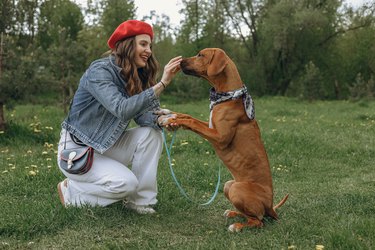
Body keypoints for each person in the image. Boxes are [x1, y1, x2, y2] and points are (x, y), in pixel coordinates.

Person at [56, 20, 182, 214]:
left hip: (106, 144)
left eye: (150, 45)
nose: (148, 50)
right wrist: (163, 83)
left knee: (151, 134)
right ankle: (71, 191)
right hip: (78, 151)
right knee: (126, 183)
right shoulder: (99, 71)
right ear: (127, 45)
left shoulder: (136, 75)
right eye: (143, 44)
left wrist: (162, 120)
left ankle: (140, 202)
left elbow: (143, 116)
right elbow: (121, 108)